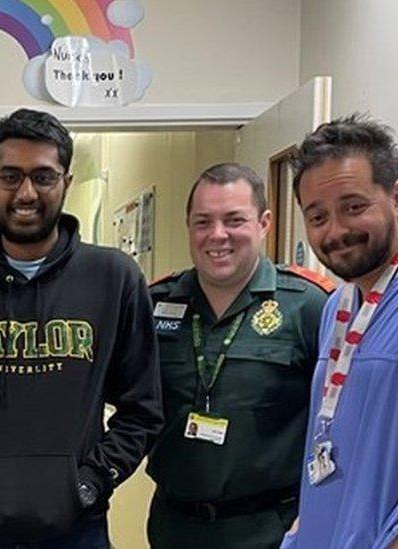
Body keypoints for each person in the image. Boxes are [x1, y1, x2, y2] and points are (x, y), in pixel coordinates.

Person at [0, 108, 164, 548]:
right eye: (10, 176)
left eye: (43, 176)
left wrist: (92, 482)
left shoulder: (113, 278)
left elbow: (143, 409)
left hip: (76, 527)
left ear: (66, 183)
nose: (26, 193)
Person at [146, 163, 331, 549]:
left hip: (271, 530)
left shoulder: (308, 306)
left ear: (264, 223)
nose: (217, 235)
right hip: (174, 527)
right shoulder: (154, 304)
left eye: (234, 220)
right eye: (203, 222)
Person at [282, 114, 398, 548]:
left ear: (397, 197)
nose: (336, 231)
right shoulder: (337, 306)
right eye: (317, 216)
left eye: (354, 207)